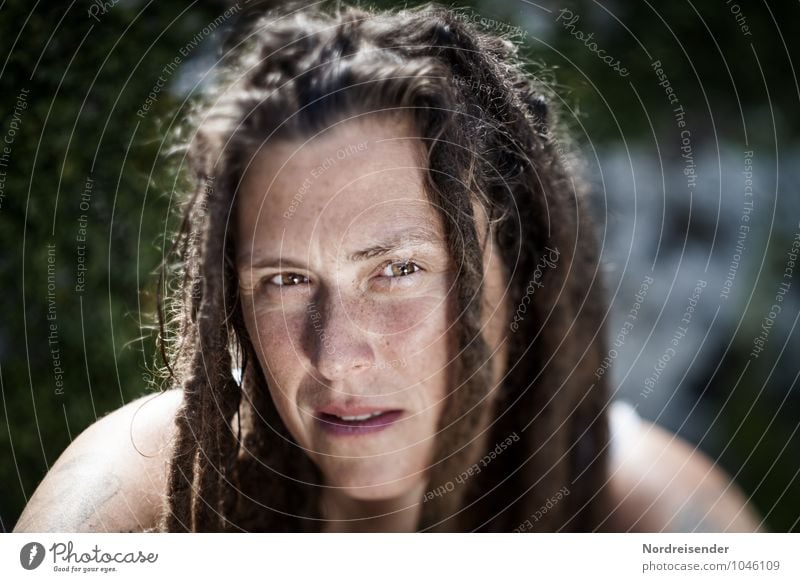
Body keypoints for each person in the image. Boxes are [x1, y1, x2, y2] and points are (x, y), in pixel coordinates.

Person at [14, 1, 762, 533]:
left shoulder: (642, 519)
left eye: (399, 269)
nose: (335, 356)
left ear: (517, 261)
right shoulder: (153, 487)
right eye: (285, 280)